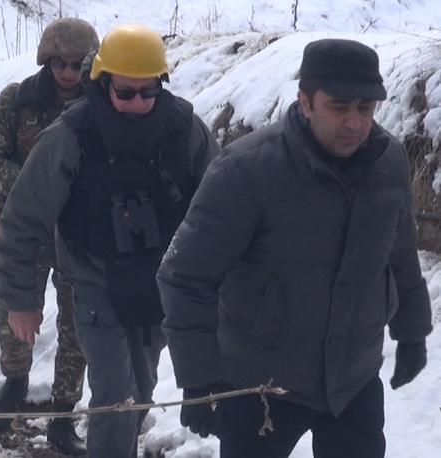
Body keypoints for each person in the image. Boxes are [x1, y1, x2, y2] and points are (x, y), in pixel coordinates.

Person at [157, 38, 432, 458]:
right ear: (305, 101)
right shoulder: (246, 170)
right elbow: (185, 275)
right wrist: (199, 381)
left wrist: (412, 333)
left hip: (352, 382)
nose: (356, 123)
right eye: (340, 107)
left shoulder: (387, 162)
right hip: (260, 387)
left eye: (366, 108)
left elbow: (399, 251)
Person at [0, 24, 220, 458]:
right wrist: (19, 298)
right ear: (102, 82)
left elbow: (220, 213)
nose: (138, 103)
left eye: (148, 92)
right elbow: (22, 219)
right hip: (96, 281)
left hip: (160, 282)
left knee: (143, 388)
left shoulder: (186, 132)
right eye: (126, 92)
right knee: (116, 393)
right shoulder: (68, 136)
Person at [0, 17, 98, 455]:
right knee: (14, 316)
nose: (68, 72)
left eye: (77, 63)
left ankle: (64, 414)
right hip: (23, 231)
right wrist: (32, 183)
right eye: (60, 63)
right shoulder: (16, 101)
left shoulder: (100, 101)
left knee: (77, 323)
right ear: (47, 61)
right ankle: (14, 386)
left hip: (77, 232)